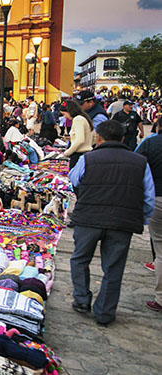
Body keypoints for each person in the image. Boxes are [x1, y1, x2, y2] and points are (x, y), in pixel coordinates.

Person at [69, 120, 154, 326]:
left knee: (80, 259)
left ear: (98, 137)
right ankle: (105, 312)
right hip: (122, 223)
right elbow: (149, 198)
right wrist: (138, 218)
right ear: (123, 138)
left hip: (89, 218)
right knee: (114, 268)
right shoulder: (140, 162)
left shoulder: (88, 158)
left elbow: (74, 180)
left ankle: (81, 299)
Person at [137, 118, 162, 313]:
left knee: (160, 246)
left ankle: (161, 298)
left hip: (158, 197)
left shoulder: (152, 142)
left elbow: (136, 164)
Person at [61, 99, 93, 169]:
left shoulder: (78, 119)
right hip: (85, 154)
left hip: (79, 154)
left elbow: (80, 140)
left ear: (69, 111)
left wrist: (67, 153)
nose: (64, 117)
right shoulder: (83, 118)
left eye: (64, 114)